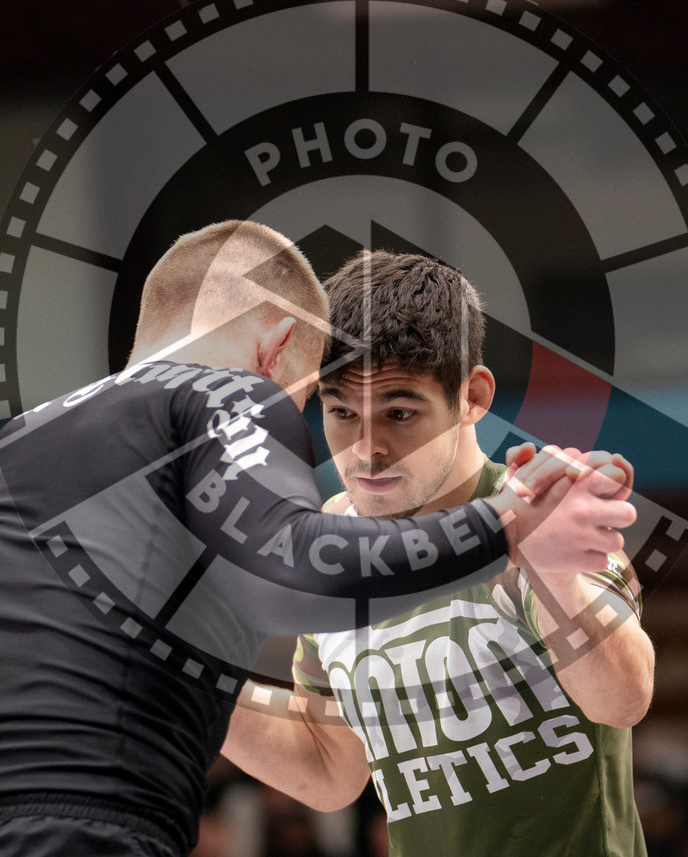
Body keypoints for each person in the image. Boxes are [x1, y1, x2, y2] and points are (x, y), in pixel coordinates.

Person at [0, 221, 620, 857]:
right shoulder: (223, 393)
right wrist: (509, 522)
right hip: (89, 827)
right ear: (274, 353)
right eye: (310, 402)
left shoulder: (6, 445)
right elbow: (297, 572)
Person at [222, 250, 653, 857]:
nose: (368, 450)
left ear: (471, 396)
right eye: (342, 412)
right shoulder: (329, 549)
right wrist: (183, 675)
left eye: (400, 411)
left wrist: (554, 576)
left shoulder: (537, 512)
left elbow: (624, 699)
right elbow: (330, 771)